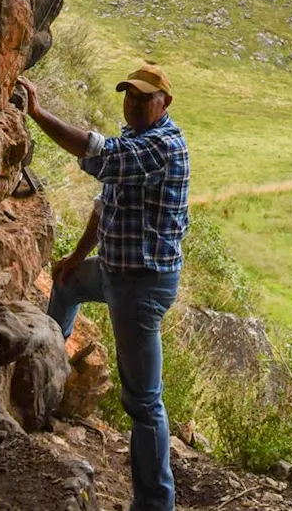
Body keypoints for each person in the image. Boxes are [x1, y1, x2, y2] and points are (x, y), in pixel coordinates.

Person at [18, 63, 189, 511]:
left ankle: (156, 504)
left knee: (144, 402)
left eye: (143, 97)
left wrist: (38, 114)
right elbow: (103, 207)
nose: (132, 103)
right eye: (128, 96)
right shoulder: (135, 138)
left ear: (164, 102)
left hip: (142, 286)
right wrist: (73, 261)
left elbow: (101, 157)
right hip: (114, 270)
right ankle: (48, 381)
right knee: (68, 286)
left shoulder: (163, 146)